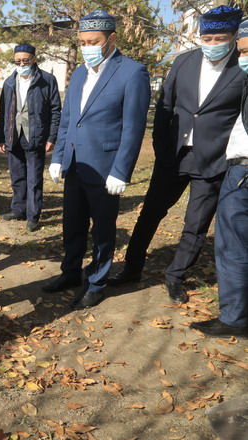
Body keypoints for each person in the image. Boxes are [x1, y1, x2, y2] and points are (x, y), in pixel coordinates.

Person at [109, 5, 245, 304]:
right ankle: (131, 269)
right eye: (206, 39)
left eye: (219, 39)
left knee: (196, 224)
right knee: (150, 214)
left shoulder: (242, 68)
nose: (212, 45)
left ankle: (176, 276)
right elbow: (165, 107)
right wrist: (161, 146)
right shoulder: (184, 62)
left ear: (234, 36)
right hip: (174, 155)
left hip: (212, 160)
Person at [44, 9, 151, 310]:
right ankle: (70, 272)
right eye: (83, 42)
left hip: (106, 168)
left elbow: (133, 127)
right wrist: (59, 156)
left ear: (111, 39)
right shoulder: (79, 72)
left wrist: (121, 170)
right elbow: (68, 118)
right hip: (76, 164)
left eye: (93, 41)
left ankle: (97, 282)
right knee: (72, 223)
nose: (87, 47)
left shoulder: (132, 72)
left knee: (103, 229)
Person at [190, 19, 248, 338]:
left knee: (233, 247)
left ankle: (235, 318)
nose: (243, 58)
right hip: (237, 169)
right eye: (242, 51)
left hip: (243, 173)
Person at [0, 43, 61, 231]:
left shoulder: (47, 80)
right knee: (17, 175)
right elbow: (3, 111)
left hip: (36, 135)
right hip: (13, 134)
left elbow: (56, 110)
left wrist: (52, 137)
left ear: (34, 59)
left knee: (34, 177)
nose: (22, 64)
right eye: (18, 61)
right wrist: (1, 137)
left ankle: (33, 215)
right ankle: (18, 209)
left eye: (25, 60)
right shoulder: (9, 81)